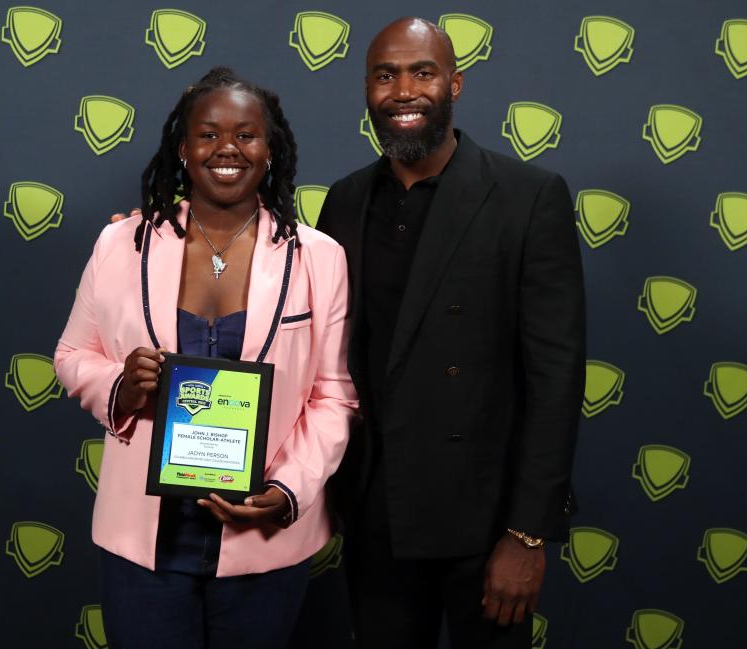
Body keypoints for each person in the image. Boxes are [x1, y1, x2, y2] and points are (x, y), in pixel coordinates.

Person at [54, 67, 357, 649]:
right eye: (208, 133)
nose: (227, 149)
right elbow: (72, 353)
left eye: (246, 134)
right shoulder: (121, 245)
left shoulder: (320, 258)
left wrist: (288, 490)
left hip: (261, 532)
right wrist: (122, 385)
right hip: (142, 542)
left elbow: (333, 395)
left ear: (271, 149)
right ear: (182, 147)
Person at [315, 18, 586, 649]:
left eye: (422, 72)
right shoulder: (344, 201)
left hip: (486, 522)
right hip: (376, 515)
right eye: (386, 75)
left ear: (455, 84)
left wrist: (527, 535)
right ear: (366, 90)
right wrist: (163, 237)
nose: (403, 90)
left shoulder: (528, 197)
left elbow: (556, 378)